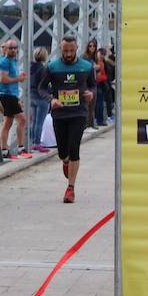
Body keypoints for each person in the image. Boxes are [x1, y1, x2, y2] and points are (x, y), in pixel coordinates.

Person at [43, 36, 95, 203]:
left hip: (78, 113)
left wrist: (91, 93)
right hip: (60, 114)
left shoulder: (86, 66)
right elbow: (41, 88)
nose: (68, 54)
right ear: (61, 49)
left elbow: (92, 85)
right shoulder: (52, 67)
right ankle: (65, 160)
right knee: (62, 152)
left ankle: (70, 189)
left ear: (77, 48)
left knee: (74, 148)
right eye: (65, 51)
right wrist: (51, 100)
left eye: (71, 51)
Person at [0, 40, 30, 159]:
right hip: (7, 95)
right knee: (22, 119)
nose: (13, 50)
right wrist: (18, 79)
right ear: (5, 48)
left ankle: (4, 150)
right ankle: (20, 148)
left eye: (15, 48)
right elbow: (3, 79)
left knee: (8, 123)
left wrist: (19, 78)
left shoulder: (12, 61)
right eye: (10, 48)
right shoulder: (5, 61)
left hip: (11, 95)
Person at [28, 47, 51, 154]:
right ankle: (37, 143)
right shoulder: (43, 69)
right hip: (41, 97)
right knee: (39, 122)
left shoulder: (30, 67)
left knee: (34, 121)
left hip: (31, 96)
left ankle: (32, 142)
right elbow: (44, 85)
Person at [83, 39, 99, 129]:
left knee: (93, 105)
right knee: (86, 104)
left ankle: (91, 123)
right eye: (90, 46)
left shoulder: (95, 57)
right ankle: (85, 124)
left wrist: (97, 69)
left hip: (93, 83)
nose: (92, 47)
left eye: (93, 46)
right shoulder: (84, 57)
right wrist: (92, 68)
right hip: (86, 84)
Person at [93, 48, 109, 127]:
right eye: (101, 54)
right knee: (98, 104)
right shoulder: (95, 62)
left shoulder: (103, 63)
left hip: (100, 85)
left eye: (103, 54)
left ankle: (99, 120)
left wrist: (104, 77)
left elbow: (104, 75)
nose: (102, 56)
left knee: (100, 104)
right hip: (96, 84)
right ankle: (98, 120)